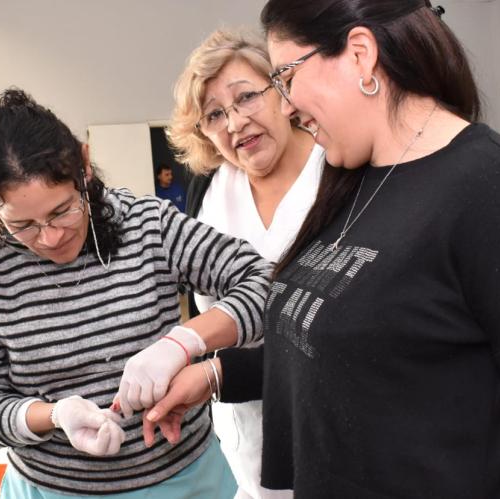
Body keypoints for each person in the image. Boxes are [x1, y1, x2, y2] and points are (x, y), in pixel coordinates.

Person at [147, 1, 500, 497]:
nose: (287, 104)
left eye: (287, 77)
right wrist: (214, 374)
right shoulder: (352, 182)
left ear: (360, 55)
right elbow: (347, 348)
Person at [0, 88, 273, 497]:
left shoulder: (146, 226)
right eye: (22, 224)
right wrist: (52, 415)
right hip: (51, 489)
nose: (49, 238)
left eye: (62, 210)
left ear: (84, 166)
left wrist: (184, 341)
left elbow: (266, 285)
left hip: (183, 482)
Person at [168, 28, 325, 499]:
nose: (235, 122)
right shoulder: (209, 192)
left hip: (328, 415)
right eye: (215, 114)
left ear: (282, 90)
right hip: (242, 422)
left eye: (246, 98)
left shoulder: (337, 171)